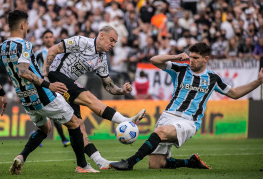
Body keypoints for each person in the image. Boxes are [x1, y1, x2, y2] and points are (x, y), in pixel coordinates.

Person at [110, 42, 263, 170]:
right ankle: (190, 162)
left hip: (188, 121)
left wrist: (258, 81)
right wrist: (176, 56)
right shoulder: (180, 69)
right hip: (167, 116)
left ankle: (130, 162)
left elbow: (235, 93)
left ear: (206, 59)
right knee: (156, 164)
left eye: (196, 58)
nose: (192, 61)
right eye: (191, 57)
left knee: (160, 132)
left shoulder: (213, 79)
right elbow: (154, 60)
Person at [0, 10, 99, 174]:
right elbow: (23, 71)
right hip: (43, 94)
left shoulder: (2, 47)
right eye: (28, 24)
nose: (28, 27)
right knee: (76, 123)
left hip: (26, 99)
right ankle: (82, 165)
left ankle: (21, 157)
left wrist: (1, 93)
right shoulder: (25, 45)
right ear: (23, 25)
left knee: (45, 129)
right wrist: (48, 85)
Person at [43, 25, 146, 169]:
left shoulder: (102, 59)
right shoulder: (81, 42)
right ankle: (125, 120)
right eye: (111, 40)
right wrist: (45, 76)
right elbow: (53, 49)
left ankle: (96, 162)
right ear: (101, 35)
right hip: (56, 76)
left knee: (79, 127)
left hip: (67, 85)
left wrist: (122, 90)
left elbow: (108, 85)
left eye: (115, 42)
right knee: (89, 98)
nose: (113, 44)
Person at [33, 29, 70, 147]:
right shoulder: (39, 54)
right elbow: (35, 70)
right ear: (43, 39)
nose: (49, 39)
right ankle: (64, 139)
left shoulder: (60, 52)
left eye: (50, 37)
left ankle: (35, 134)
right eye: (46, 37)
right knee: (54, 110)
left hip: (59, 84)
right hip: (45, 86)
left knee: (54, 112)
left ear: (54, 38)